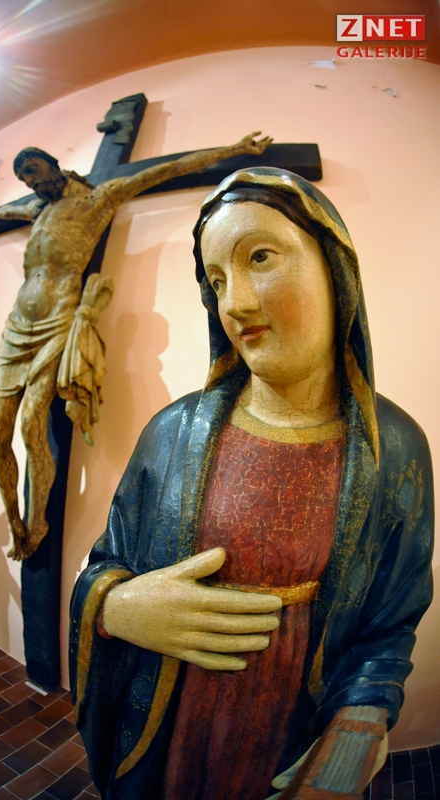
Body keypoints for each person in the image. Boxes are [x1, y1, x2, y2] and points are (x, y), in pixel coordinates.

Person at [69, 168, 433, 799]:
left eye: (259, 257)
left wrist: (354, 732)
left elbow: (388, 623)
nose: (233, 303)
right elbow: (106, 563)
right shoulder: (171, 434)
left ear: (335, 270)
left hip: (291, 738)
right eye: (215, 280)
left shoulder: (394, 449)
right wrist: (116, 609)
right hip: (168, 736)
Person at [0, 134, 272, 560]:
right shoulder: (37, 209)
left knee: (31, 425)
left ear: (53, 165)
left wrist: (236, 149)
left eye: (35, 174)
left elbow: (169, 169)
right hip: (16, 326)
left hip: (56, 322)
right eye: (26, 181)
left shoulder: (97, 199)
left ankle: (36, 521)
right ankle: (14, 519)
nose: (33, 185)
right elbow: (7, 211)